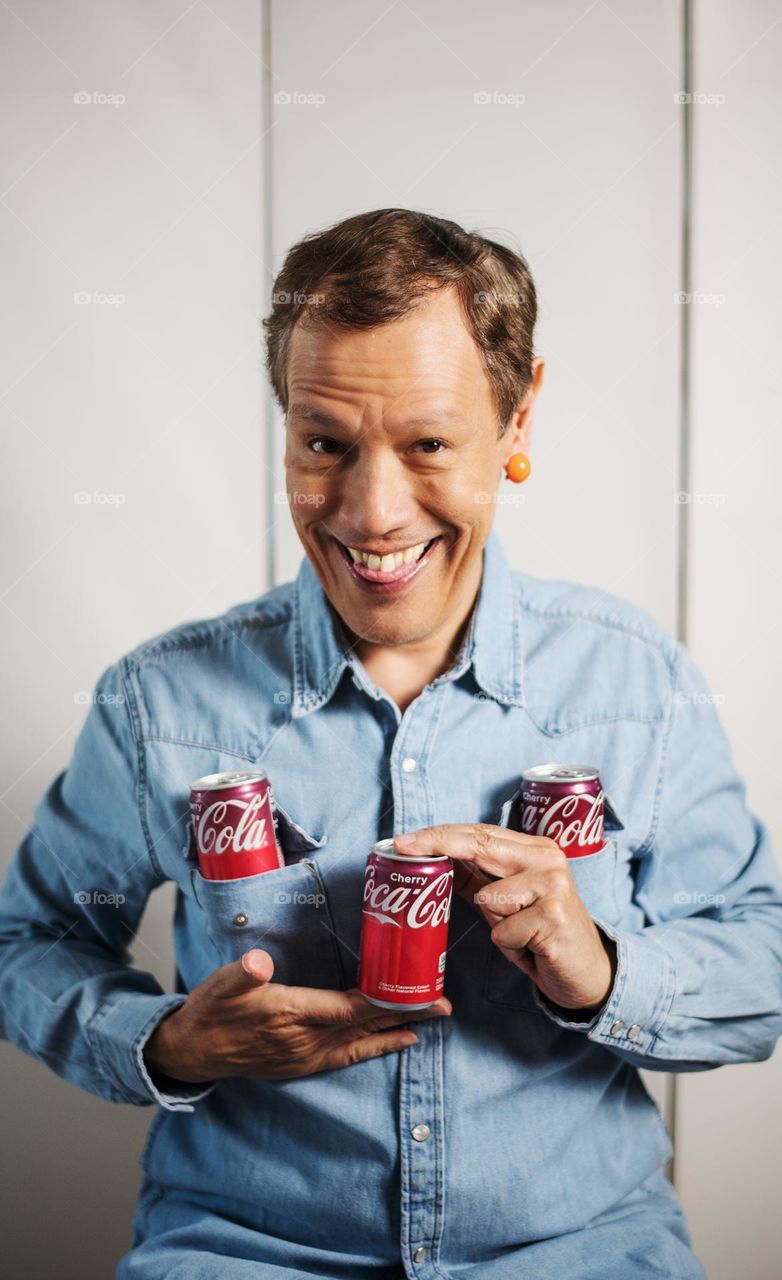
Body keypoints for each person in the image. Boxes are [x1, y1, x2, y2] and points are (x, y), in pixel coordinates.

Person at [1, 209, 780, 1280]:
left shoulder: (631, 679)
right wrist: (168, 1042)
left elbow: (759, 973)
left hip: (575, 1244)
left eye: (425, 443)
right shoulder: (158, 700)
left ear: (516, 420)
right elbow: (26, 941)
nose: (370, 513)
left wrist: (599, 972)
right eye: (325, 443)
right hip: (245, 1247)